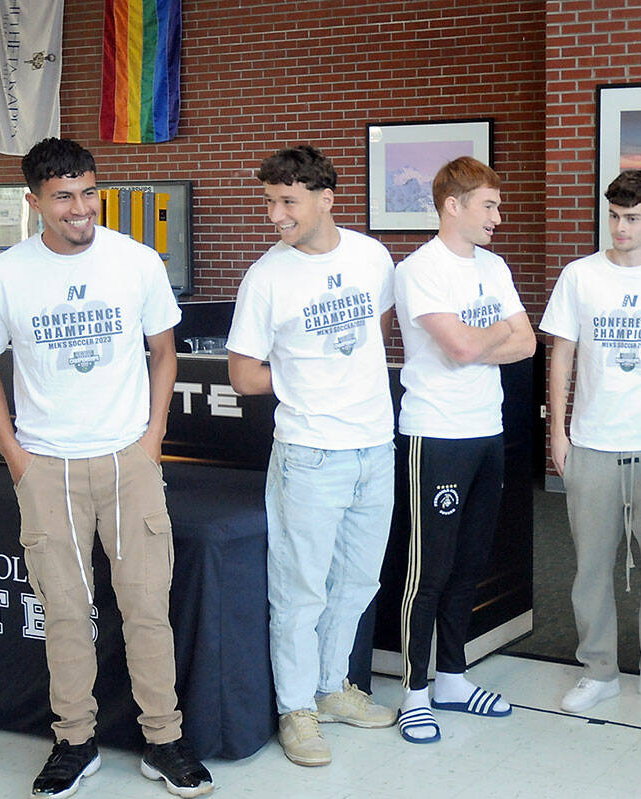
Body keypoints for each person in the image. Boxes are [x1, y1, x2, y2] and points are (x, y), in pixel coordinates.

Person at [0, 138, 213, 798]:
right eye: (63, 196)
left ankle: (163, 739)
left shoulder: (136, 261)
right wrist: (16, 454)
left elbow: (164, 352)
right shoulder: (6, 273)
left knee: (147, 607)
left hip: (129, 459)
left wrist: (153, 436)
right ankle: (74, 740)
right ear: (35, 201)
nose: (80, 208)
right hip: (47, 466)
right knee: (66, 612)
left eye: (88, 192)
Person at [227, 145, 399, 767]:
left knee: (357, 581)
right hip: (309, 455)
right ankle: (296, 707)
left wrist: (334, 371)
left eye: (287, 202)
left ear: (327, 199)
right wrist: (305, 373)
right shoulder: (266, 276)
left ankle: (331, 689)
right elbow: (244, 373)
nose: (275, 215)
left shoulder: (372, 257)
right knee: (300, 591)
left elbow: (378, 332)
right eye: (269, 202)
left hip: (376, 446)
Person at [539, 170, 641, 715]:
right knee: (591, 564)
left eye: (632, 218)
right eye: (613, 216)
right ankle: (599, 670)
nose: (620, 227)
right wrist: (557, 432)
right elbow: (560, 353)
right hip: (591, 440)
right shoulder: (579, 276)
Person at [392, 156, 535, 743]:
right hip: (437, 432)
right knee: (431, 567)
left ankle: (452, 678)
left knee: (472, 561)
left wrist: (487, 339)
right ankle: (414, 692)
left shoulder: (495, 267)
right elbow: (456, 349)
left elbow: (526, 343)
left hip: (487, 429)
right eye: (489, 207)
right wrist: (489, 336)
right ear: (453, 205)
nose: (498, 219)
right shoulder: (420, 269)